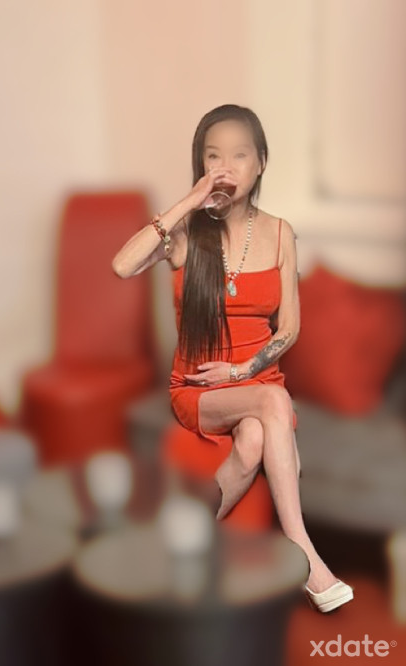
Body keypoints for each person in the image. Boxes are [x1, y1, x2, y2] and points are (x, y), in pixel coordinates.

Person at [111, 103, 354, 613]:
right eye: (213, 156)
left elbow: (289, 329)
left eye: (239, 155)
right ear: (200, 164)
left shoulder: (281, 233)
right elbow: (121, 265)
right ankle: (304, 552)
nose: (225, 166)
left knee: (254, 440)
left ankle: (182, 537)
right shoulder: (186, 235)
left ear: (260, 162)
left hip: (257, 383)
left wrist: (242, 371)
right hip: (199, 390)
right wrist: (191, 199)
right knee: (274, 404)